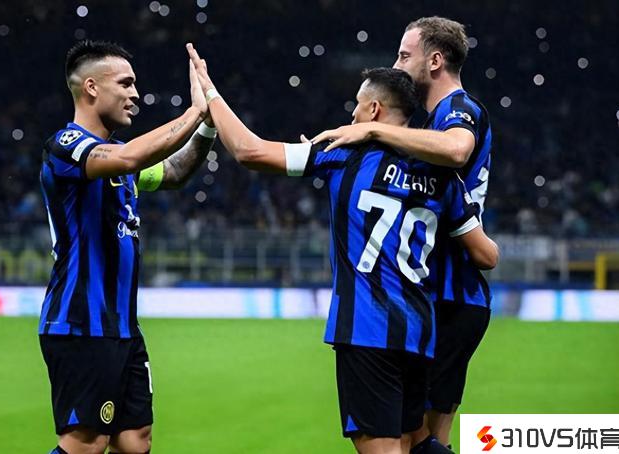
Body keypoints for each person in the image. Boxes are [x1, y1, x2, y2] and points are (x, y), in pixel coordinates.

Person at [187, 43, 497, 454]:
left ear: (374, 111)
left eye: (357, 108)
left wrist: (210, 95)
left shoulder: (343, 154)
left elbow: (249, 150)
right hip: (419, 332)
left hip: (366, 329)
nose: (351, 117)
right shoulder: (445, 178)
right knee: (416, 443)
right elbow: (487, 255)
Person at [311, 17, 494, 449]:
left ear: (435, 61)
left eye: (404, 55)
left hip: (452, 294)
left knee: (424, 438)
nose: (396, 64)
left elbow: (457, 150)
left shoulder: (457, 109)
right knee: (415, 439)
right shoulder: (430, 123)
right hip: (432, 296)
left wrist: (374, 128)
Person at [39, 40, 216, 454]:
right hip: (80, 322)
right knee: (86, 444)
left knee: (135, 441)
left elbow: (174, 171)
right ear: (91, 87)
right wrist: (193, 112)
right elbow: (128, 159)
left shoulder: (119, 155)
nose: (135, 94)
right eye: (125, 83)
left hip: (122, 328)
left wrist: (207, 126)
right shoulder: (66, 146)